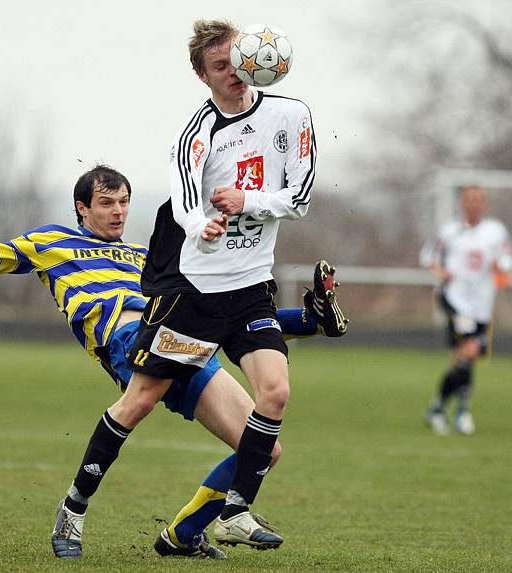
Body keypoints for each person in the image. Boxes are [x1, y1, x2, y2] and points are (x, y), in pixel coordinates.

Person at [0, 164, 349, 559]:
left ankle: (181, 534)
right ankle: (73, 509)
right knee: (140, 398)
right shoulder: (51, 244)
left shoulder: (143, 257)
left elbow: (220, 318)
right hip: (128, 339)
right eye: (107, 203)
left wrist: (302, 321)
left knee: (264, 449)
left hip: (187, 342)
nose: (118, 211)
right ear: (82, 207)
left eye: (123, 202)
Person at [51, 20, 340, 558]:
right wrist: (198, 223)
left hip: (251, 285)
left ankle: (233, 514)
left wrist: (246, 203)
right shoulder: (196, 134)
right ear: (201, 75)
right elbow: (184, 200)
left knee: (274, 393)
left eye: (239, 61)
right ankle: (73, 508)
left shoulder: (291, 114)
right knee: (137, 402)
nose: (235, 73)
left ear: (258, 57)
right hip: (192, 293)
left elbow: (298, 197)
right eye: (220, 67)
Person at [420, 185, 512, 435]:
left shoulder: (496, 231)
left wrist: (502, 270)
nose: (474, 204)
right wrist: (442, 273)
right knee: (470, 350)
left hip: (482, 304)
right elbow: (427, 257)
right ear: (462, 203)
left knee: (463, 359)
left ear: (485, 204)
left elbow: (506, 263)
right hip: (454, 299)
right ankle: (462, 412)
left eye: (479, 199)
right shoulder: (450, 231)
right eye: (469, 199)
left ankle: (438, 408)